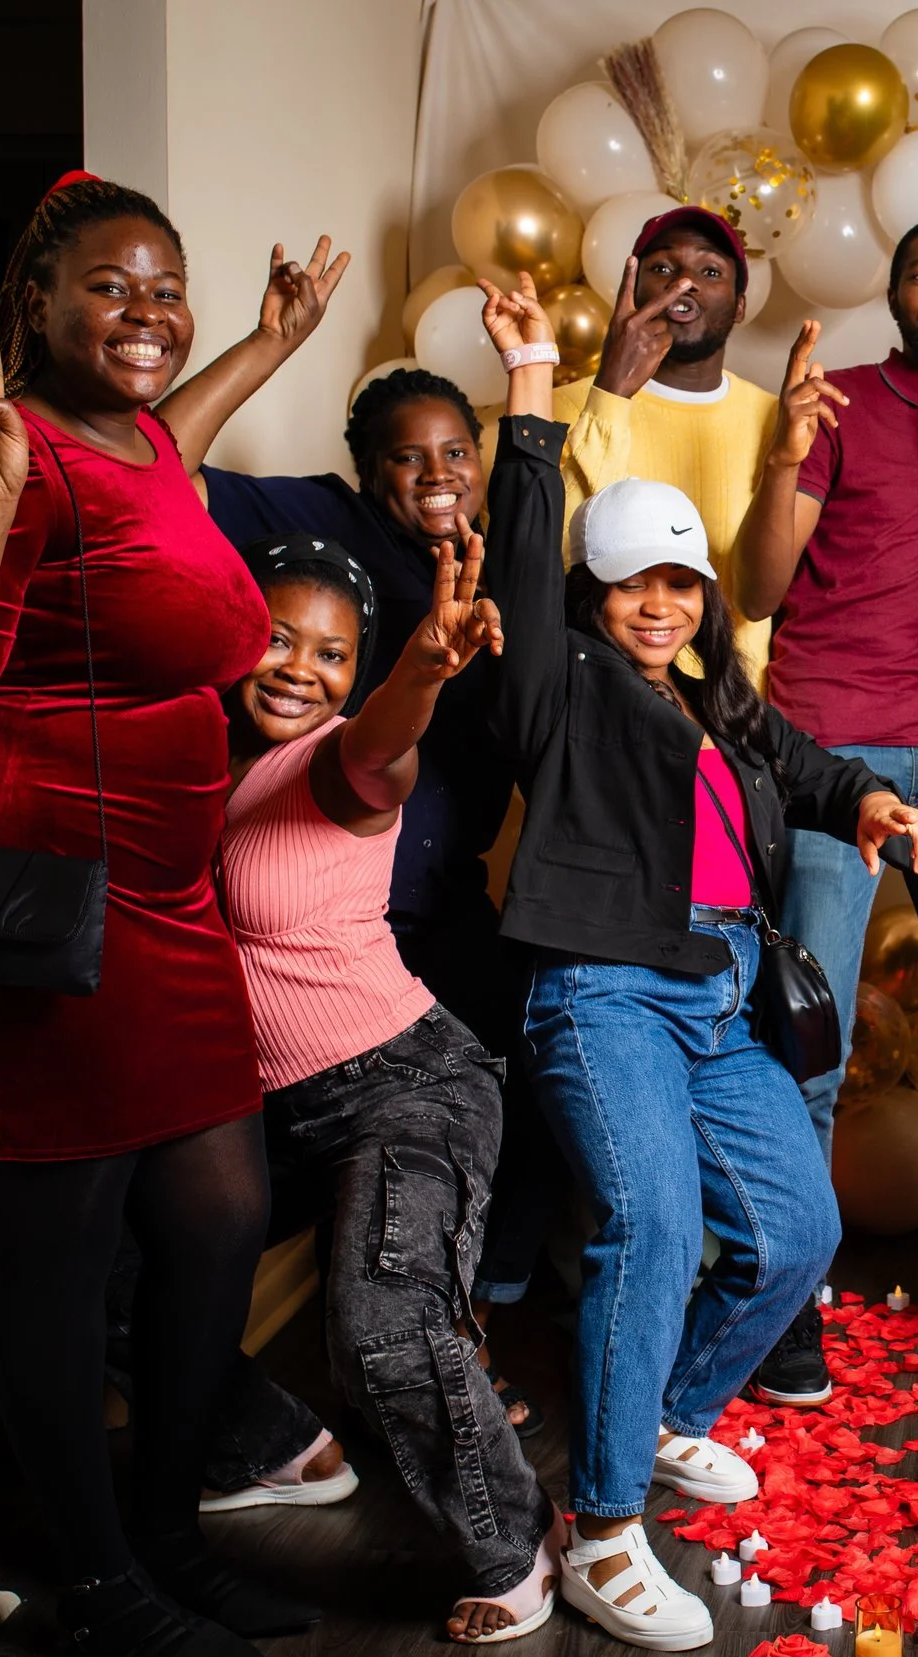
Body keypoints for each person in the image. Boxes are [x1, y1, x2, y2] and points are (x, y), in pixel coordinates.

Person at [0, 174, 296, 1657]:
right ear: (33, 304)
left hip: (166, 898)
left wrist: (263, 345)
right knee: (63, 1254)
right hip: (42, 908)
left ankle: (169, 1530)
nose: (149, 313)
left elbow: (160, 467)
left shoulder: (137, 436)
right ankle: (95, 1583)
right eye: (111, 286)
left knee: (222, 1213)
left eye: (167, 287)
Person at [486, 289, 918, 1650]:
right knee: (655, 1232)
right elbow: (520, 557)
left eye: (680, 583)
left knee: (797, 1232)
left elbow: (806, 767)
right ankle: (601, 1529)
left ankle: (672, 1412)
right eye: (636, 583)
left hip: (725, 992)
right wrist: (530, 384)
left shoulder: (716, 697)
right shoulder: (560, 678)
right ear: (593, 593)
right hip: (604, 986)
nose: (661, 603)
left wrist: (866, 799)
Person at [160, 259, 557, 1432]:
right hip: (312, 926)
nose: (435, 474)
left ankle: (458, 1332)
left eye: (455, 452)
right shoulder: (318, 526)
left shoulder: (503, 558)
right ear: (364, 468)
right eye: (406, 456)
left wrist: (532, 373)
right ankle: (355, 1366)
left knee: (517, 1081)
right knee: (264, 1186)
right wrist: (270, 344)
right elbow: (166, 468)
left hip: (433, 906)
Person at [217, 510, 560, 1643]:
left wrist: (418, 672)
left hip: (403, 1083)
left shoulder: (338, 763)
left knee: (382, 1325)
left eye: (332, 654)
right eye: (278, 638)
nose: (298, 668)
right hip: (270, 1110)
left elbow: (381, 744)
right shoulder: (202, 760)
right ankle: (283, 1447)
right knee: (121, 1269)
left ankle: (520, 1543)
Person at [730, 215, 918, 1394]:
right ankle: (789, 1295)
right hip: (831, 752)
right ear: (898, 293)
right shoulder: (841, 403)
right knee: (811, 1045)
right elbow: (757, 588)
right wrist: (782, 453)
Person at [555, 205, 779, 684]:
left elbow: (766, 596)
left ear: (740, 305)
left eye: (710, 271)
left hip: (731, 710)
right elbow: (558, 561)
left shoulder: (776, 420)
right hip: (597, 697)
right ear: (633, 290)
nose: (685, 282)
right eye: (662, 268)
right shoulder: (558, 407)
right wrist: (610, 393)